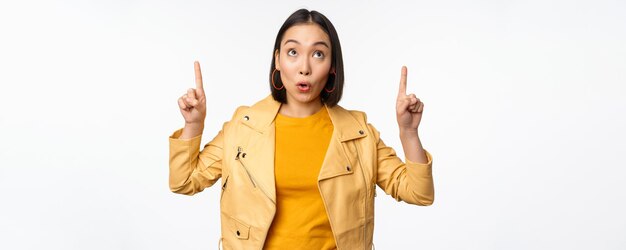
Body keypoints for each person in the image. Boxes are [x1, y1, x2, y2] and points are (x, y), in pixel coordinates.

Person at [169, 9, 434, 250]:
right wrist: (194, 125)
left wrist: (409, 133)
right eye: (293, 52)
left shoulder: (358, 133)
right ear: (277, 60)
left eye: (318, 54)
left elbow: (418, 193)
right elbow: (184, 181)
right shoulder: (244, 127)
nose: (304, 68)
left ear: (332, 67)